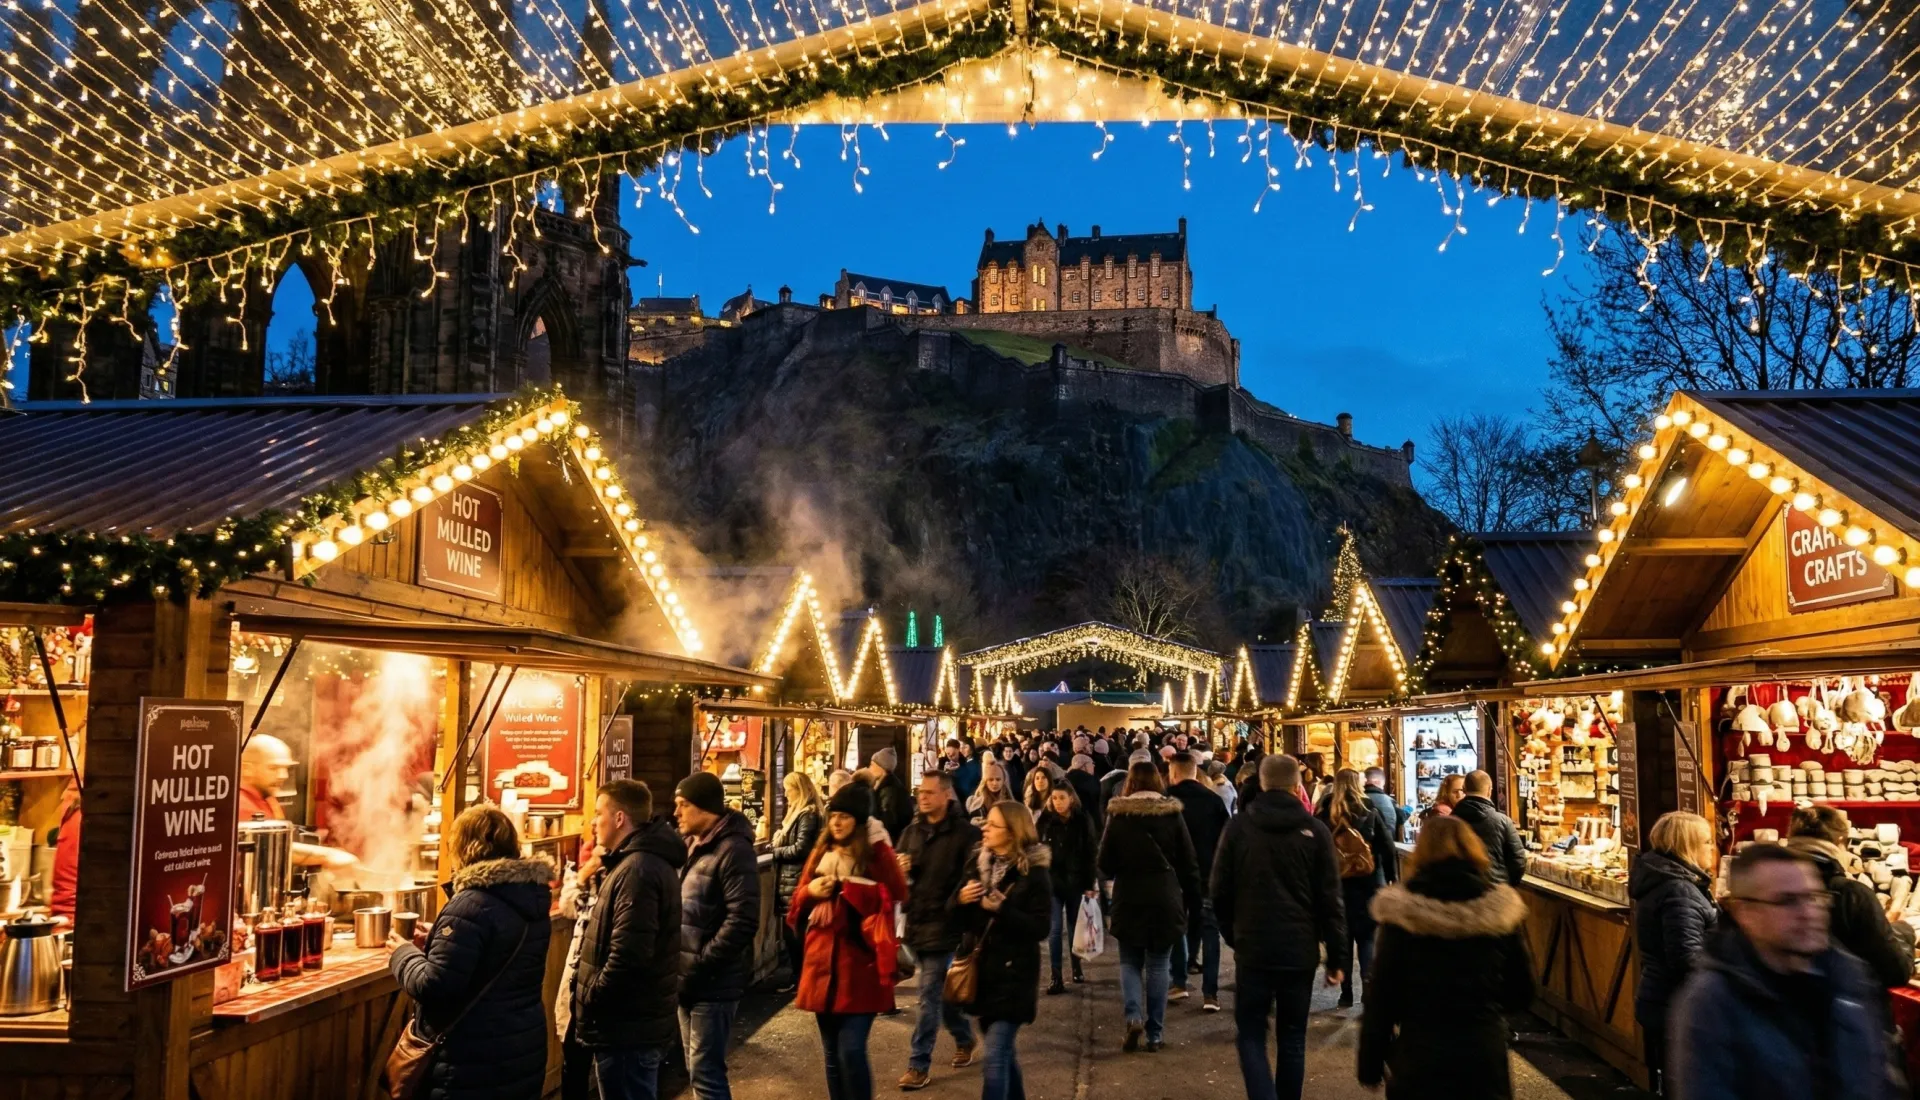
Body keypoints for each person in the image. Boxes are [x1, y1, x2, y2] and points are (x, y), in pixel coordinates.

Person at [1669, 844, 1895, 1100]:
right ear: (1745, 912)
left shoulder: (1849, 977)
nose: (1809, 913)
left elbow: (1878, 1081)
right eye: (1787, 901)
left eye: (1815, 897)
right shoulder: (1712, 1002)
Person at [1356, 816, 1533, 1099]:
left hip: (1422, 1051)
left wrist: (1370, 1062)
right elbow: (1521, 990)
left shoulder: (1403, 915)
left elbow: (1382, 995)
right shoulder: (1499, 911)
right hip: (1482, 1051)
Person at [387, 805, 553, 1100]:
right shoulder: (532, 896)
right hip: (520, 1047)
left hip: (471, 1062)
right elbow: (491, 953)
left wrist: (402, 952)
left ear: (464, 847)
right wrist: (439, 939)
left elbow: (434, 985)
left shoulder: (471, 903)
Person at [1213, 755, 1345, 1100]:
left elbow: (1219, 890)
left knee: (1251, 1033)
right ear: (1297, 786)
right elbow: (1331, 900)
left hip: (1253, 948)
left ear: (1263, 782)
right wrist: (1337, 957)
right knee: (1292, 1037)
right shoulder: (1315, 832)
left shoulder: (1239, 828)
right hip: (1298, 951)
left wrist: (1233, 934)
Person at [789, 785, 908, 1100]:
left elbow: (896, 894)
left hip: (860, 966)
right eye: (833, 816)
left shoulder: (876, 852)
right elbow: (797, 903)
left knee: (851, 1049)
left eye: (844, 817)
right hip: (820, 964)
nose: (837, 823)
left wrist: (850, 889)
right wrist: (811, 892)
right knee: (831, 1052)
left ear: (858, 820)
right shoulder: (820, 851)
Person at [569, 780, 686, 1100]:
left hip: (626, 1027)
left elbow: (630, 954)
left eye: (598, 813)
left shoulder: (639, 869)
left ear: (620, 818)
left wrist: (593, 994)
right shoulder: (634, 862)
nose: (592, 822)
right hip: (631, 1024)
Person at [952, 801, 1052, 1100]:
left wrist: (1003, 909)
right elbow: (956, 918)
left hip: (1014, 976)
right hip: (983, 974)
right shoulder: (978, 864)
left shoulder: (1034, 873)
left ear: (1012, 832)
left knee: (995, 1056)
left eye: (993, 825)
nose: (985, 828)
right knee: (1004, 1057)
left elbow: (1040, 928)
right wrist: (961, 899)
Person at [1098, 759, 1200, 1053]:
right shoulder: (1172, 814)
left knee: (1130, 961)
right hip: (1165, 896)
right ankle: (1155, 1033)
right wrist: (1192, 899)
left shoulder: (1118, 815)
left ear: (1130, 782)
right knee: (1159, 964)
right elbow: (1188, 861)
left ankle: (1133, 1016)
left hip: (1129, 894)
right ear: (1158, 781)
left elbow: (1104, 862)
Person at [674, 772, 762, 1100]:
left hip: (713, 981)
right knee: (697, 1070)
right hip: (690, 977)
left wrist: (700, 964)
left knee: (706, 1072)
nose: (677, 812)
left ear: (705, 808)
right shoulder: (693, 845)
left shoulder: (734, 850)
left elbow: (742, 920)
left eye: (684, 805)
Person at [1786, 805, 1916, 1019]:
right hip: (1842, 1026)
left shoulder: (1767, 889)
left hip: (1780, 1028)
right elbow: (1896, 971)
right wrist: (1904, 931)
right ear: (1839, 843)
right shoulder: (1852, 895)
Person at [897, 772, 982, 1090]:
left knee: (928, 996)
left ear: (947, 795)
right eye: (921, 791)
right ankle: (963, 1036)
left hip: (946, 924)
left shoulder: (965, 834)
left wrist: (957, 900)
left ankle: (918, 1064)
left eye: (931, 792)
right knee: (940, 998)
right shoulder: (911, 832)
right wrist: (901, 868)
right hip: (915, 923)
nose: (923, 797)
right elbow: (899, 866)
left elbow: (971, 875)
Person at [1630, 811, 1718, 1095]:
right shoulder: (1679, 890)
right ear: (1687, 846)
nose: (1712, 848)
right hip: (1674, 1003)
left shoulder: (1672, 882)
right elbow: (1686, 957)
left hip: (1662, 999)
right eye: (1706, 842)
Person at [1315, 769, 1399, 1008]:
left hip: (1335, 886)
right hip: (1366, 884)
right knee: (1366, 939)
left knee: (1341, 937)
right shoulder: (1369, 810)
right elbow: (1386, 847)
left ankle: (1345, 993)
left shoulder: (1324, 813)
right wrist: (1391, 878)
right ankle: (1368, 989)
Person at [1166, 751, 1229, 1010]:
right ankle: (1210, 994)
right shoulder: (1214, 801)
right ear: (1195, 772)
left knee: (1178, 929)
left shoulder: (1168, 801)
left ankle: (1179, 982)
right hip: (1207, 877)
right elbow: (1225, 842)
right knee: (1210, 933)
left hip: (1176, 877)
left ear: (1174, 773)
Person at [240, 734, 357, 867]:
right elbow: (270, 847)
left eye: (286, 768)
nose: (283, 776)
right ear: (247, 769)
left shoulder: (267, 797)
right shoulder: (240, 803)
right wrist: (326, 856)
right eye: (273, 768)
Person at [1036, 785, 1098, 992]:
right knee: (1054, 930)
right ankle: (1056, 976)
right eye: (1054, 798)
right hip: (1052, 882)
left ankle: (1076, 965)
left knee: (1074, 926)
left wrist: (1090, 884)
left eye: (1062, 798)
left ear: (1071, 799)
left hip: (1075, 882)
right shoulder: (1045, 821)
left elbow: (1090, 853)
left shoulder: (1082, 820)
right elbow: (1036, 849)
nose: (1058, 802)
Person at [771, 772, 826, 992]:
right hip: (792, 880)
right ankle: (800, 978)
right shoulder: (802, 814)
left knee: (795, 934)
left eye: (788, 789)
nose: (785, 794)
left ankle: (800, 979)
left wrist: (776, 851)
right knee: (794, 932)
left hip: (796, 880)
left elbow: (801, 848)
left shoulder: (807, 815)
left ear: (799, 790)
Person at [1448, 771, 1525, 885]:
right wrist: (1507, 886)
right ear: (1489, 790)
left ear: (1464, 790)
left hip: (1457, 892)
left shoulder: (1449, 822)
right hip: (1494, 892)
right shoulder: (1503, 822)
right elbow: (1518, 861)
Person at [868, 748, 913, 840]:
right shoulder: (885, 786)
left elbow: (887, 821)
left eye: (872, 765)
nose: (869, 768)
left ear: (882, 768)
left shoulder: (889, 790)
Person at [1362, 767, 1406, 842]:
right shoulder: (1390, 801)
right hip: (1386, 849)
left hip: (1360, 850)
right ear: (1378, 782)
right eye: (1383, 785)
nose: (1383, 787)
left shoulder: (1356, 799)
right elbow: (1401, 819)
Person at [1066, 754, 1104, 833]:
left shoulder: (1067, 779)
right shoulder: (1088, 781)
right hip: (1089, 820)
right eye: (1091, 763)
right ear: (1083, 766)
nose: (1093, 766)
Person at [967, 760, 1011, 825]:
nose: (995, 783)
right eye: (991, 779)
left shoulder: (1010, 802)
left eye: (998, 779)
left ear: (1003, 780)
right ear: (985, 781)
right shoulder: (976, 804)